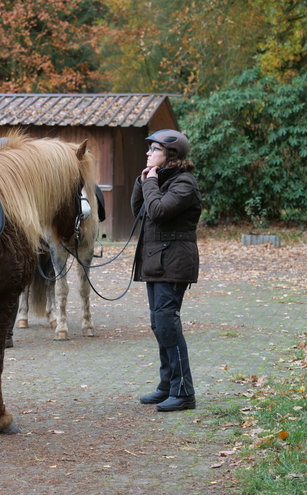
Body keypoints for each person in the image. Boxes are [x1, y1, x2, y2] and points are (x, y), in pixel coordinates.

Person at [130, 129, 202, 412]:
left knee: (168, 325)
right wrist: (143, 180)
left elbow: (158, 211)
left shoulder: (184, 184)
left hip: (173, 264)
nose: (148, 153)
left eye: (154, 149)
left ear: (170, 154)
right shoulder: (162, 179)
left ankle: (184, 391)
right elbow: (140, 211)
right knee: (160, 325)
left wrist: (150, 181)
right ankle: (167, 386)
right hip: (157, 263)